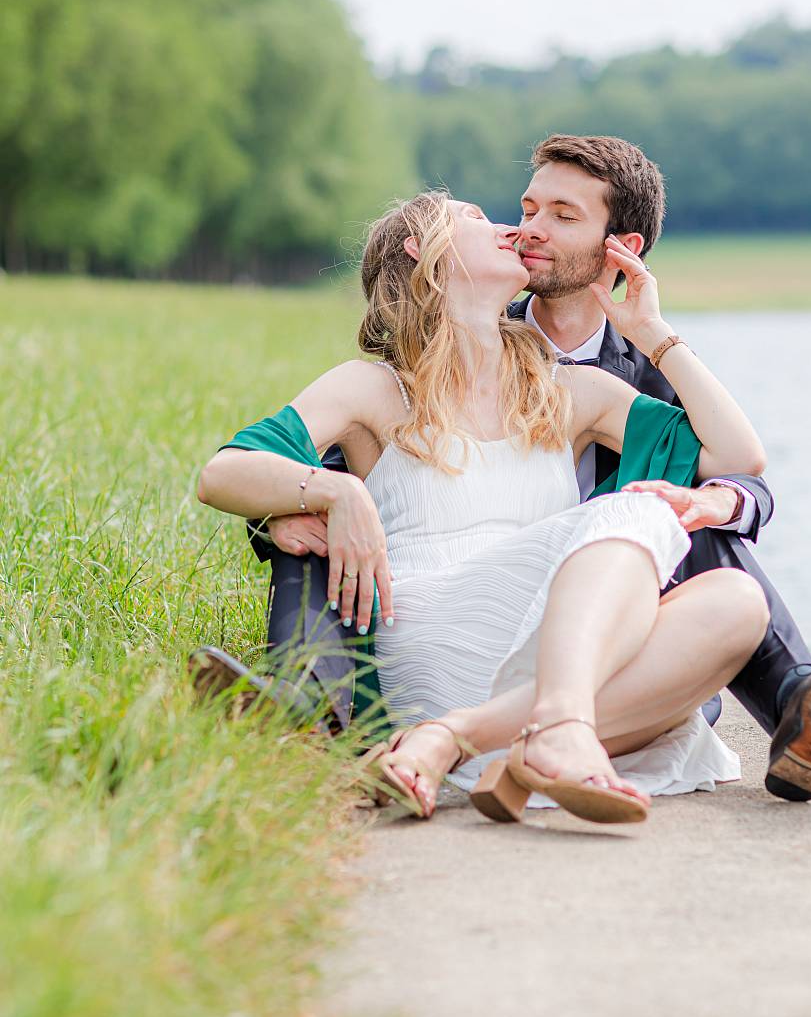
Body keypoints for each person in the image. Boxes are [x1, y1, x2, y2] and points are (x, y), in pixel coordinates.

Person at [197, 190, 771, 823]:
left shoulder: (570, 393)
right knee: (640, 512)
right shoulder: (375, 389)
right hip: (434, 633)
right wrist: (339, 490)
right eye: (472, 219)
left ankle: (466, 739)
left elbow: (737, 454)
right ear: (422, 249)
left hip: (550, 655)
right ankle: (527, 730)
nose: (510, 228)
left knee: (739, 603)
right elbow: (222, 473)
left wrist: (651, 332)